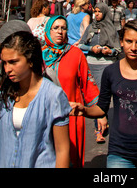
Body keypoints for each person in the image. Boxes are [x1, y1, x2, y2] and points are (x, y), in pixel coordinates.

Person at [70, 20, 137, 168]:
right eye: (129, 41)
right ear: (121, 42)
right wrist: (84, 110)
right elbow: (101, 108)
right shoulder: (111, 72)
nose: (133, 48)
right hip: (119, 152)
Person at [0, 31, 71, 168]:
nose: (7, 69)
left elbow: (62, 150)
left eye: (13, 62)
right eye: (5, 63)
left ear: (30, 60)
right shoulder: (4, 94)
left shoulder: (53, 95)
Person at [42, 15, 99, 167]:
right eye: (56, 28)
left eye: (63, 28)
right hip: (43, 116)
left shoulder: (76, 54)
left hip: (70, 116)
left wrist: (99, 113)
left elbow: (88, 84)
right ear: (48, 31)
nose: (60, 31)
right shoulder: (38, 55)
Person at [78, 2, 121, 143]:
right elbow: (82, 43)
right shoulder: (91, 27)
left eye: (99, 12)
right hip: (91, 63)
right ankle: (99, 128)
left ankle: (101, 124)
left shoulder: (111, 28)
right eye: (95, 11)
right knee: (95, 96)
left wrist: (110, 51)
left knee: (103, 95)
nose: (96, 14)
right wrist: (91, 49)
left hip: (106, 64)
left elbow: (117, 48)